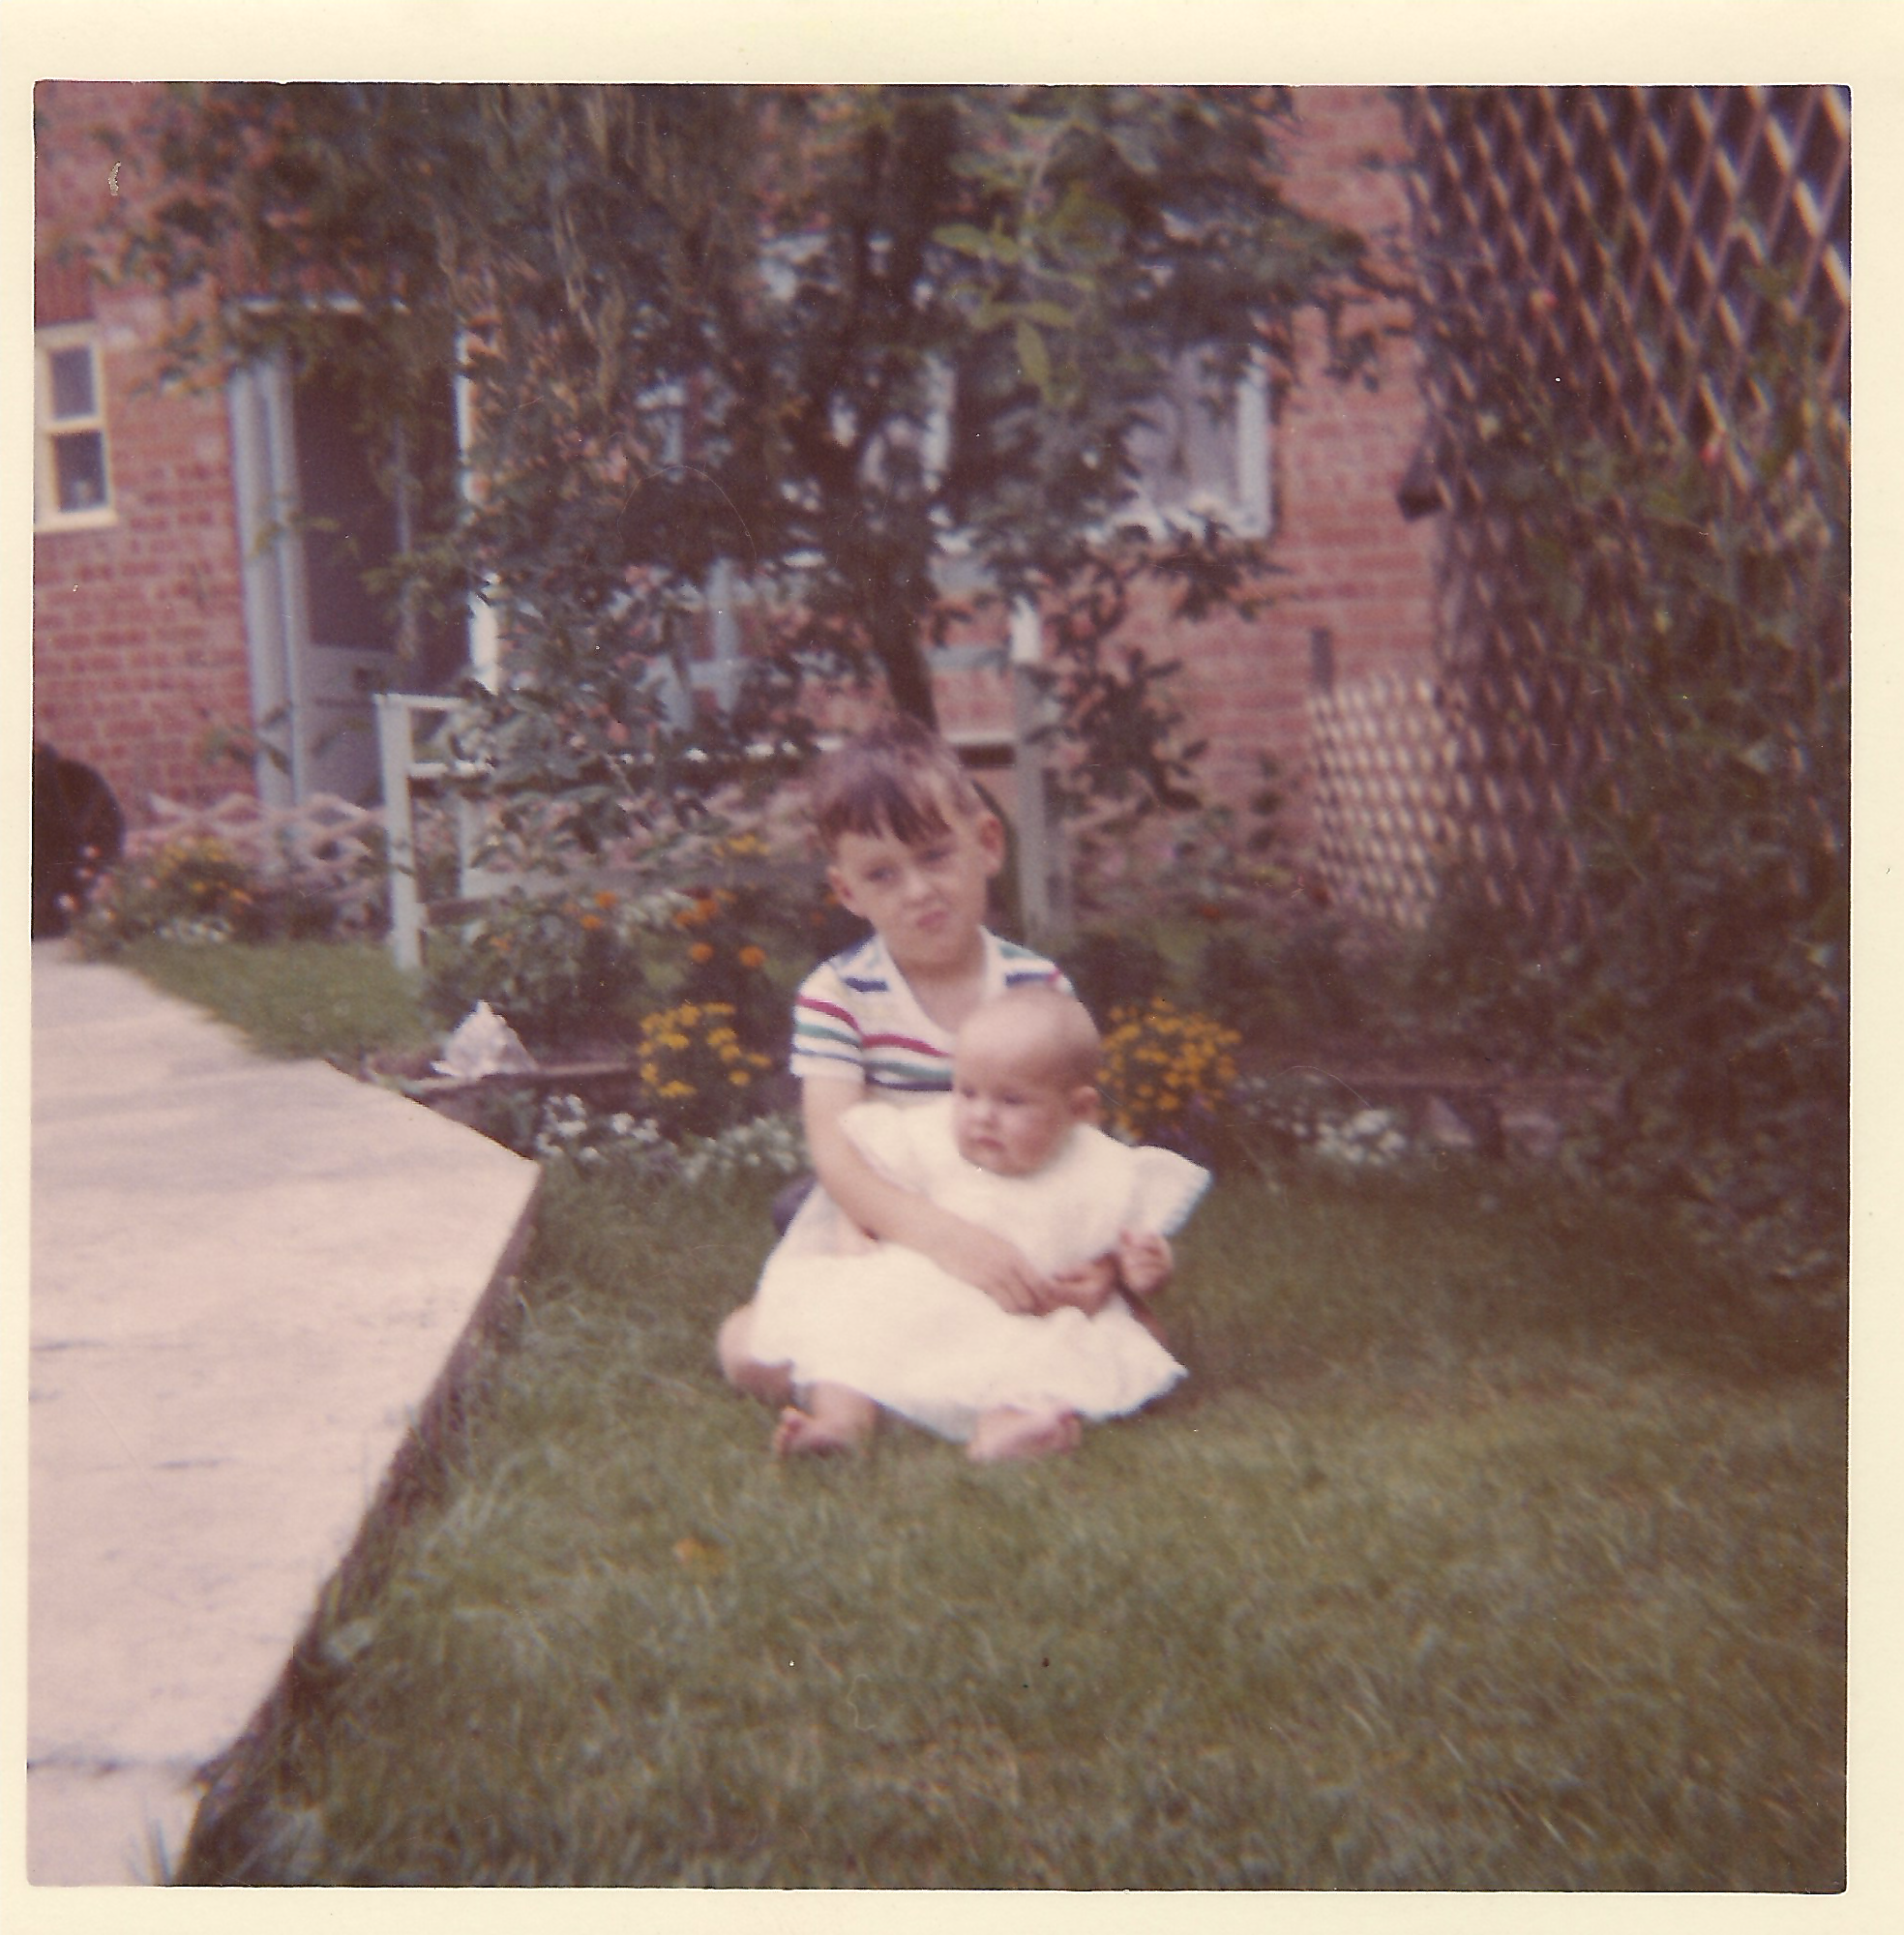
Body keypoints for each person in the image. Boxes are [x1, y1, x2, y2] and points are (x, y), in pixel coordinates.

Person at [717, 716, 1119, 1404]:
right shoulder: (839, 996)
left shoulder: (1037, 987)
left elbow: (1084, 1140)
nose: (917, 891)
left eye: (935, 856)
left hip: (1013, 1208)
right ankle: (932, 1373)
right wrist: (944, 1239)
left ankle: (939, 1379)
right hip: (891, 1217)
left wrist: (1103, 1259)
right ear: (849, 892)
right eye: (883, 874)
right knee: (749, 1352)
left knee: (1117, 1331)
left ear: (986, 844)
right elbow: (837, 1155)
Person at [743, 986, 1208, 1462]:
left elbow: (1123, 1246)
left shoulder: (1102, 1170)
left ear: (1079, 1110)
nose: (981, 1115)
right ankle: (840, 1423)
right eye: (966, 1092)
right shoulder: (930, 1139)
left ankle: (1005, 1430)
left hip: (1029, 1319)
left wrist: (1144, 1266)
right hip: (917, 1305)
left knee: (1047, 1364)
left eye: (1011, 1101)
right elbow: (872, 1179)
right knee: (851, 1333)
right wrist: (852, 1230)